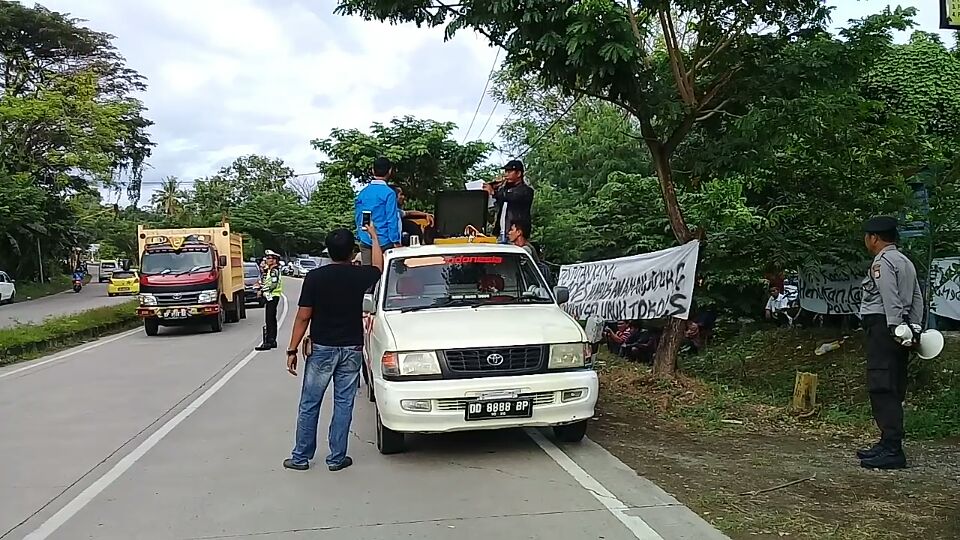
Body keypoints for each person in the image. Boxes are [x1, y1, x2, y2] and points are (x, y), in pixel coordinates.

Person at [282, 223, 383, 472]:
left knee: (310, 403)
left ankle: (301, 457)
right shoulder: (360, 275)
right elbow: (379, 268)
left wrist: (292, 349)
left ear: (327, 251)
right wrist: (374, 236)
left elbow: (303, 316)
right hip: (351, 348)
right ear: (352, 252)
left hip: (322, 349)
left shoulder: (315, 277)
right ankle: (337, 458)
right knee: (343, 403)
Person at [857, 216, 924, 470]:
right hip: (901, 329)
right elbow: (917, 295)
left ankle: (892, 448)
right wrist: (914, 328)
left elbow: (889, 296)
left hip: (885, 328)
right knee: (894, 383)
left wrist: (895, 326)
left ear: (874, 238)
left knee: (882, 384)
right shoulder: (905, 261)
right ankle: (887, 442)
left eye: (867, 236)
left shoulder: (882, 262)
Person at [355, 157, 401, 265]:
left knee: (368, 276)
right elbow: (391, 219)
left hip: (365, 240)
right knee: (385, 276)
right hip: (384, 242)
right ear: (389, 171)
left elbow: (358, 217)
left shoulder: (362, 193)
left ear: (372, 170)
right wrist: (396, 241)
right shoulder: (389, 193)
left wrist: (361, 235)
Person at [483, 159, 534, 243]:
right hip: (500, 233)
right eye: (506, 172)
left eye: (509, 172)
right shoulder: (503, 190)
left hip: (516, 234)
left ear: (518, 174)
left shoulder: (526, 190)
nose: (506, 175)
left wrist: (493, 192)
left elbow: (512, 197)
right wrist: (493, 186)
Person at [256, 250, 283, 351]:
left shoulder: (274, 271)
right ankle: (271, 340)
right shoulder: (269, 270)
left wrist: (262, 290)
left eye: (269, 258)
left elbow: (273, 285)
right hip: (270, 296)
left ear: (275, 260)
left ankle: (270, 341)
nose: (266, 260)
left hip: (273, 296)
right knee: (270, 318)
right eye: (266, 258)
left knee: (270, 319)